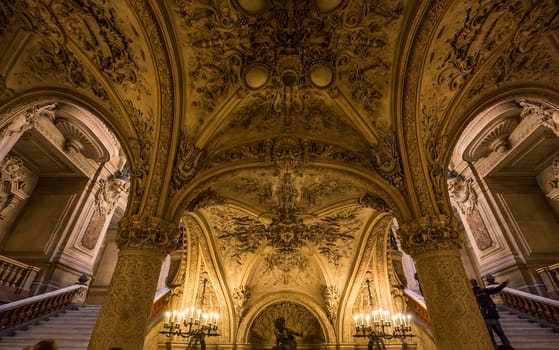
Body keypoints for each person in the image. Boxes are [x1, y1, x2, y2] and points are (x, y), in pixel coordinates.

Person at [470, 278, 513, 349]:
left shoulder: (470, 293)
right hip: (493, 316)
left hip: (484, 318)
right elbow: (496, 290)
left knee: (491, 338)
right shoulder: (484, 290)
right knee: (502, 335)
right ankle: (509, 348)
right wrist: (504, 283)